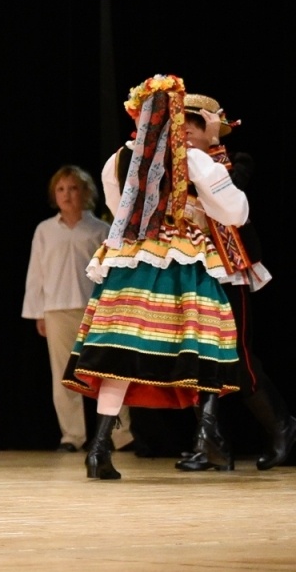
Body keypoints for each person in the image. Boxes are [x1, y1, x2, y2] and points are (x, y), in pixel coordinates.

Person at [62, 75, 247, 480]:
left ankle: (98, 450)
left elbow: (118, 209)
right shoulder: (191, 158)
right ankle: (208, 435)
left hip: (129, 259)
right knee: (206, 343)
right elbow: (235, 212)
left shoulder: (118, 159)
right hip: (182, 260)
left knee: (119, 351)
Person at [174, 92, 295, 471]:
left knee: (239, 359)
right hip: (193, 270)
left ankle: (283, 426)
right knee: (196, 357)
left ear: (209, 129)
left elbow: (230, 202)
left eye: (193, 127)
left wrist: (206, 143)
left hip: (229, 272)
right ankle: (212, 445)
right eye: (182, 129)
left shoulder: (232, 163)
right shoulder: (176, 174)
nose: (187, 135)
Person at [22, 165, 123, 452]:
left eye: (74, 188)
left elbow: (111, 272)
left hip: (94, 310)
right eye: (61, 189)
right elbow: (36, 273)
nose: (67, 195)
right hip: (57, 310)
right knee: (64, 376)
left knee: (108, 372)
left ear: (86, 192)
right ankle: (72, 436)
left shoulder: (100, 229)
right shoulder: (45, 230)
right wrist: (37, 312)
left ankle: (120, 434)